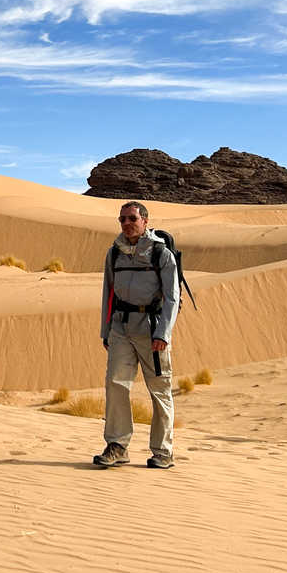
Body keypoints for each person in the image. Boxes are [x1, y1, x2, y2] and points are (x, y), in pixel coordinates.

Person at [93, 201, 179, 470]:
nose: (127, 223)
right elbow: (108, 292)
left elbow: (172, 298)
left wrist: (163, 333)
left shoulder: (161, 254)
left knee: (159, 390)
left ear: (145, 220)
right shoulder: (114, 253)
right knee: (116, 384)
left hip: (151, 329)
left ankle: (163, 451)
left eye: (132, 218)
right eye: (122, 219)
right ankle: (117, 445)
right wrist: (106, 331)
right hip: (121, 327)